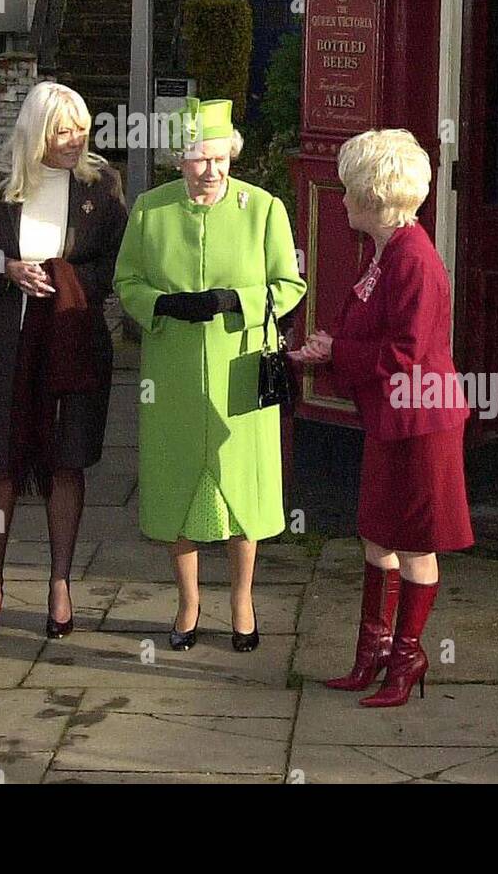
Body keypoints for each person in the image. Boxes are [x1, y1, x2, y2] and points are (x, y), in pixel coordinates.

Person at [114, 98, 306, 653]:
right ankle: (188, 603)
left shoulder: (264, 208)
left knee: (242, 489)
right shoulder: (151, 211)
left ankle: (242, 599)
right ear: (179, 160)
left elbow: (290, 287)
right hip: (172, 376)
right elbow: (127, 283)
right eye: (199, 160)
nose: (211, 171)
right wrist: (163, 306)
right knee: (178, 486)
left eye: (220, 159)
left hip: (242, 371)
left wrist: (236, 299)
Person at [290, 128, 473, 707]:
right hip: (394, 419)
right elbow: (381, 337)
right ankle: (370, 656)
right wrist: (332, 345)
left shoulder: (414, 260)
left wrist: (334, 353)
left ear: (374, 195)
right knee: (376, 535)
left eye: (348, 189)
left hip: (421, 424)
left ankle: (407, 659)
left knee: (416, 544)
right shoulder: (387, 254)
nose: (340, 200)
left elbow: (407, 352)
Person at [0, 82, 127, 638]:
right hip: (6, 344)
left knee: (66, 462)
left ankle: (60, 584)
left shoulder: (102, 183)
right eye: (63, 130)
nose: (77, 140)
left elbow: (119, 267)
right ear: (35, 132)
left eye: (82, 128)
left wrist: (65, 278)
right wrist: (7, 269)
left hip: (72, 345)